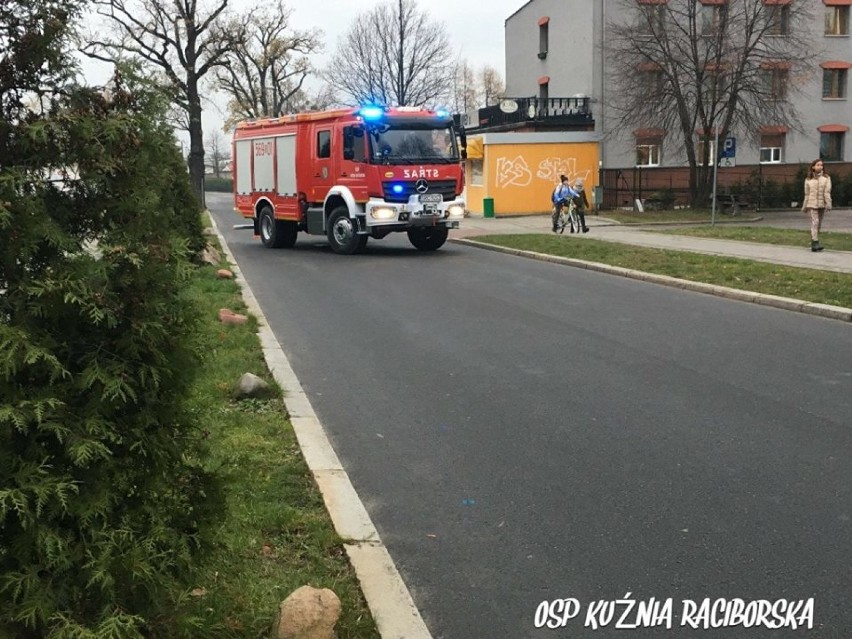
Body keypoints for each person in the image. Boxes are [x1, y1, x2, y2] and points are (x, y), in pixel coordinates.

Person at [801, 159, 832, 252]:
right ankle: (815, 242)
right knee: (815, 222)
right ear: (813, 167)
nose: (820, 167)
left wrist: (828, 204)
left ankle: (815, 241)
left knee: (819, 224)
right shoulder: (808, 179)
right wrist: (804, 206)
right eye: (818, 165)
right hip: (812, 204)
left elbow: (827, 192)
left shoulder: (826, 178)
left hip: (821, 205)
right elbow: (806, 194)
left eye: (821, 165)